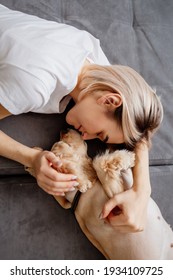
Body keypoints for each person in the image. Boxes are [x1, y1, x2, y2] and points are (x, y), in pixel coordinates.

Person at [0, 4, 163, 233]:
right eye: (100, 134)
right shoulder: (37, 84)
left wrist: (142, 192)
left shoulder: (89, 55)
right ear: (109, 101)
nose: (86, 137)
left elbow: (139, 128)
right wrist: (31, 157)